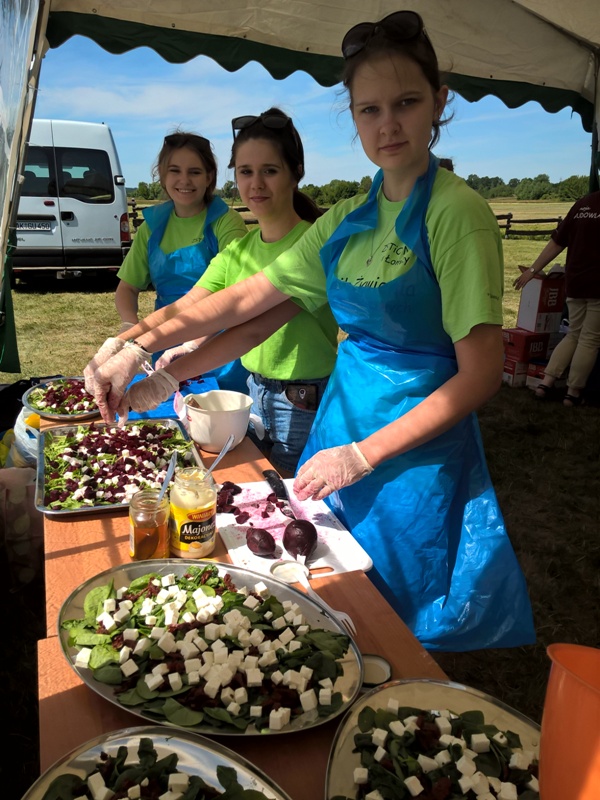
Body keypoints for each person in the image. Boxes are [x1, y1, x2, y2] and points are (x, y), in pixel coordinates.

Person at [86, 11, 535, 651]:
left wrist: (365, 454)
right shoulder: (350, 217)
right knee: (328, 585)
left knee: (399, 606)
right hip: (341, 418)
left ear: (438, 103)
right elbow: (245, 303)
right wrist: (139, 351)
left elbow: (482, 372)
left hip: (413, 440)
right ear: (351, 117)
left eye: (406, 103)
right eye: (368, 109)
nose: (387, 125)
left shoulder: (455, 213)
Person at [91, 110, 338, 474]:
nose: (256, 185)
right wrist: (119, 345)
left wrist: (164, 376)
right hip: (253, 391)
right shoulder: (241, 250)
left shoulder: (310, 244)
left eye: (270, 171)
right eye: (245, 172)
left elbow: (251, 327)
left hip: (301, 399)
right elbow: (186, 306)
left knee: (287, 497)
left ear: (295, 172)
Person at [115, 130, 249, 391]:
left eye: (195, 172)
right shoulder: (152, 227)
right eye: (175, 171)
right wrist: (129, 326)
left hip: (220, 345)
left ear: (210, 176)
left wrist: (191, 344)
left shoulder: (227, 223)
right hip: (164, 342)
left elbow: (235, 295)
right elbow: (127, 288)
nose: (184, 180)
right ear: (162, 176)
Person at [514, 190, 600, 407]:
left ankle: (546, 382)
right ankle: (573, 392)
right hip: (597, 284)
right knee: (589, 339)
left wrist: (534, 269)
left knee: (573, 334)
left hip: (575, 281)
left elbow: (557, 241)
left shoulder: (583, 203)